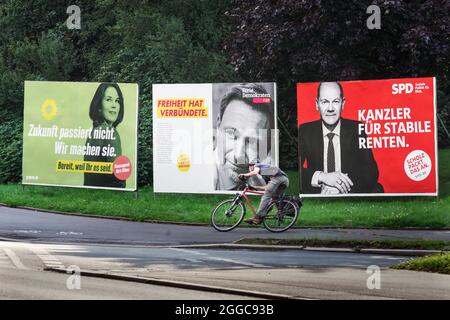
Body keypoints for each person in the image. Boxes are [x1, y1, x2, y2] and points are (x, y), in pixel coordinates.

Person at [298, 81, 382, 194]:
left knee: (377, 189)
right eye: (325, 102)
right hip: (318, 189)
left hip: (349, 188)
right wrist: (323, 177)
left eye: (336, 101)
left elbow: (371, 171)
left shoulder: (356, 128)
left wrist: (340, 187)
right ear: (317, 104)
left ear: (343, 103)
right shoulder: (305, 131)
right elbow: (296, 170)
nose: (330, 108)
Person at [213, 83, 275, 190]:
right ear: (218, 125)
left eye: (252, 142)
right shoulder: (199, 180)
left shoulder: (263, 185)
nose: (239, 156)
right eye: (231, 134)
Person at [84, 83, 125, 188]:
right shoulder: (109, 132)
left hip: (92, 195)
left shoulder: (94, 132)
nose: (114, 105)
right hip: (110, 196)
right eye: (108, 100)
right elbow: (118, 175)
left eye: (117, 101)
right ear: (99, 106)